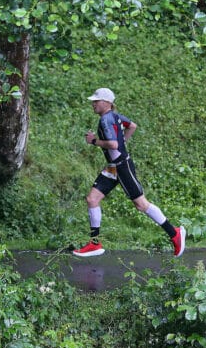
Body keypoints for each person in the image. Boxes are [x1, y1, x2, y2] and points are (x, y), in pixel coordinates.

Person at [72, 87, 186, 258]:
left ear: (107, 103)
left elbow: (113, 145)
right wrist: (122, 140)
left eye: (96, 101)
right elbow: (132, 126)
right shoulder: (114, 116)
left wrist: (94, 141)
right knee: (92, 199)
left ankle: (175, 233)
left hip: (121, 167)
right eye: (93, 101)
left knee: (141, 204)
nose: (93, 104)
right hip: (112, 166)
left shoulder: (105, 120)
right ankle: (95, 243)